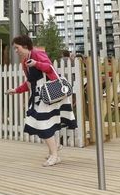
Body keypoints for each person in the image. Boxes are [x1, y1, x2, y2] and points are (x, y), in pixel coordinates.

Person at [5, 35, 77, 166]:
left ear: (25, 46)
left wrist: (36, 64)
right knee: (41, 124)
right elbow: (30, 82)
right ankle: (54, 151)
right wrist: (16, 90)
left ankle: (54, 154)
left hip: (46, 95)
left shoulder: (37, 54)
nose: (16, 51)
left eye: (17, 48)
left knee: (43, 124)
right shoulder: (25, 61)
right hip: (38, 96)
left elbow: (50, 68)